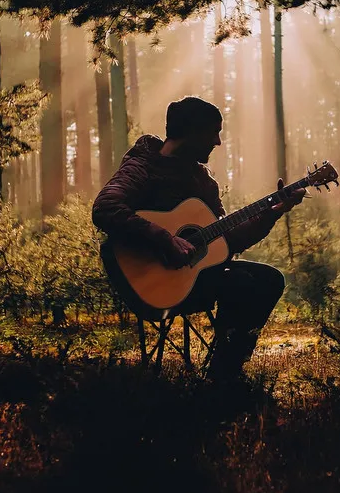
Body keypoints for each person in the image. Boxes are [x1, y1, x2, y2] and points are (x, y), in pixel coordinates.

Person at [92, 96, 305, 382]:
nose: (217, 142)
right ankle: (222, 378)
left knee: (268, 278)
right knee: (241, 282)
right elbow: (106, 207)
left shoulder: (203, 182)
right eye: (213, 132)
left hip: (192, 279)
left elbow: (227, 242)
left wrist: (273, 213)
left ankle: (224, 372)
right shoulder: (142, 166)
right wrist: (166, 239)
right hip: (150, 280)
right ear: (191, 132)